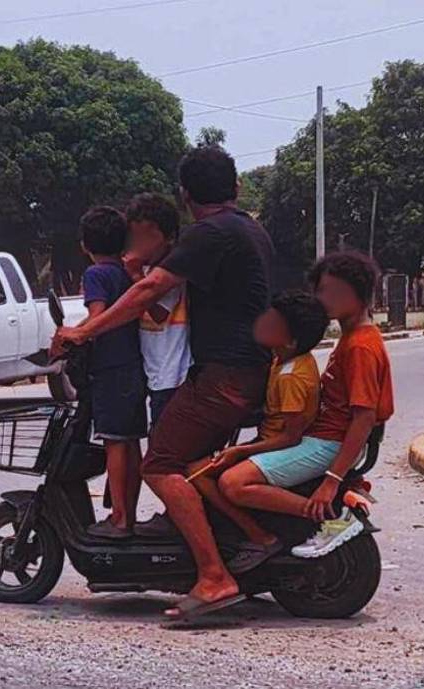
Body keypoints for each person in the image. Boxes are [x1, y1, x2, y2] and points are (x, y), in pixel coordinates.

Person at [52, 145, 273, 620]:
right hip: (247, 372)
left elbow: (150, 291)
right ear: (235, 187)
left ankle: (214, 576)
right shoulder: (250, 230)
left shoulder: (209, 234)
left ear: (185, 195)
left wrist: (84, 331)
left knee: (159, 463)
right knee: (189, 460)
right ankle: (225, 540)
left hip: (224, 378)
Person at [214, 251, 394, 558]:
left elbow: (363, 418)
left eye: (333, 291)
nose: (324, 299)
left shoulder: (361, 346)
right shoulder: (352, 337)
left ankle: (330, 516)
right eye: (321, 290)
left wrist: (331, 481)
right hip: (322, 438)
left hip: (328, 443)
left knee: (233, 483)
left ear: (358, 292)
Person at [186, 290, 330, 573]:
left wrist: (240, 451)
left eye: (273, 323)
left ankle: (272, 533)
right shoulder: (281, 358)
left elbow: (291, 436)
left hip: (284, 445)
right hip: (271, 439)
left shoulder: (291, 377)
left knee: (223, 481)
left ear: (290, 340)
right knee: (197, 469)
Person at [77, 206, 147, 539]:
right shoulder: (125, 272)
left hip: (110, 368)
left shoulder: (96, 275)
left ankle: (119, 519)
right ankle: (128, 514)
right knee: (130, 442)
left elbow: (97, 317)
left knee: (114, 444)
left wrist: (68, 337)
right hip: (135, 366)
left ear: (84, 245)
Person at [123, 193, 190, 428]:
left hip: (172, 374)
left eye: (148, 236)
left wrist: (135, 275)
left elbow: (159, 314)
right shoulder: (149, 269)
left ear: (169, 237)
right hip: (154, 371)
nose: (141, 244)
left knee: (163, 440)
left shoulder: (168, 271)